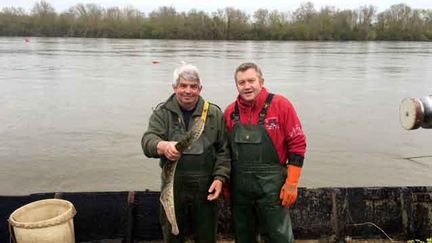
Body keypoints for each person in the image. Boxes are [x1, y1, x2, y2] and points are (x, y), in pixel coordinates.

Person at [141, 63, 231, 243]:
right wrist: (163, 146)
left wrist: (219, 178)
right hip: (173, 187)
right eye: (183, 86)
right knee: (172, 236)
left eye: (193, 86)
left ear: (200, 88)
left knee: (207, 236)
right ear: (174, 87)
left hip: (206, 188)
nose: (188, 91)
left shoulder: (213, 114)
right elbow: (147, 140)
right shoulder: (162, 113)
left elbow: (224, 151)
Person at [223, 62, 307, 243]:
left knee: (279, 236)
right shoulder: (230, 112)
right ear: (236, 85)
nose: (247, 86)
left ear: (261, 81)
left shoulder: (281, 105)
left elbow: (297, 144)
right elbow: (223, 151)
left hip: (273, 188)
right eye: (241, 82)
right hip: (240, 189)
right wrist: (224, 183)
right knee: (243, 235)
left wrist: (292, 182)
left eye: (251, 81)